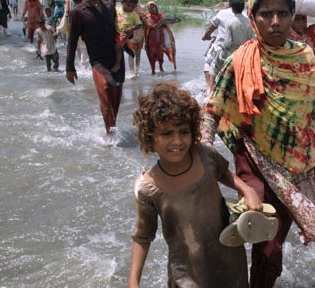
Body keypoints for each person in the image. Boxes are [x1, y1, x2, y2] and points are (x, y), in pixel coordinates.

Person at [201, 0, 315, 286]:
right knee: (257, 230)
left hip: (291, 167)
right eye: (266, 14)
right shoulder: (241, 58)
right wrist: (204, 147)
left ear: (292, 17)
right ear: (254, 17)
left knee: (272, 245)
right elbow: (213, 107)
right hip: (252, 157)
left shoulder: (305, 57)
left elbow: (312, 109)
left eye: (283, 14)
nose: (275, 21)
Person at [128, 81, 263, 288]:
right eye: (166, 134)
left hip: (229, 260)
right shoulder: (148, 187)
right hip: (188, 274)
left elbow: (223, 173)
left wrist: (246, 189)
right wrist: (133, 281)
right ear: (150, 137)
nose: (178, 142)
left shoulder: (204, 155)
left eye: (184, 132)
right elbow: (143, 237)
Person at [66, 0, 124, 142]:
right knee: (105, 88)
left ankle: (113, 127)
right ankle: (110, 136)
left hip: (116, 58)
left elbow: (118, 31)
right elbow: (72, 41)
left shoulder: (109, 7)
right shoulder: (78, 12)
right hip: (98, 61)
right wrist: (70, 67)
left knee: (115, 97)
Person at [210, 0, 254, 78]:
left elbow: (227, 42)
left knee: (213, 67)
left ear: (232, 9)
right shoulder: (249, 23)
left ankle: (211, 89)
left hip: (232, 53)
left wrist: (222, 46)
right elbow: (253, 40)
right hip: (245, 53)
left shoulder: (230, 22)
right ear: (243, 7)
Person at [201, 3, 235, 89]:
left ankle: (210, 89)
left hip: (221, 47)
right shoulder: (245, 16)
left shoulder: (222, 13)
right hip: (237, 51)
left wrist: (206, 36)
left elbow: (211, 28)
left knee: (208, 63)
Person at [143, 1, 177, 75]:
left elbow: (167, 28)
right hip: (151, 41)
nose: (152, 9)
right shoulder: (147, 17)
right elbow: (149, 27)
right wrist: (160, 23)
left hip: (160, 40)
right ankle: (153, 72)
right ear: (148, 9)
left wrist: (171, 41)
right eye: (150, 7)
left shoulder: (161, 16)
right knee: (151, 57)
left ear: (156, 7)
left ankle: (161, 67)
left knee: (160, 58)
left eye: (153, 7)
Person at [113, 0, 143, 79]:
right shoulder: (116, 9)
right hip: (116, 32)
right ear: (122, 3)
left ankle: (117, 64)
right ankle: (127, 48)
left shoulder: (133, 14)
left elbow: (139, 24)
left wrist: (130, 28)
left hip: (125, 34)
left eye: (132, 7)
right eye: (128, 5)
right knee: (115, 47)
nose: (130, 8)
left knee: (118, 47)